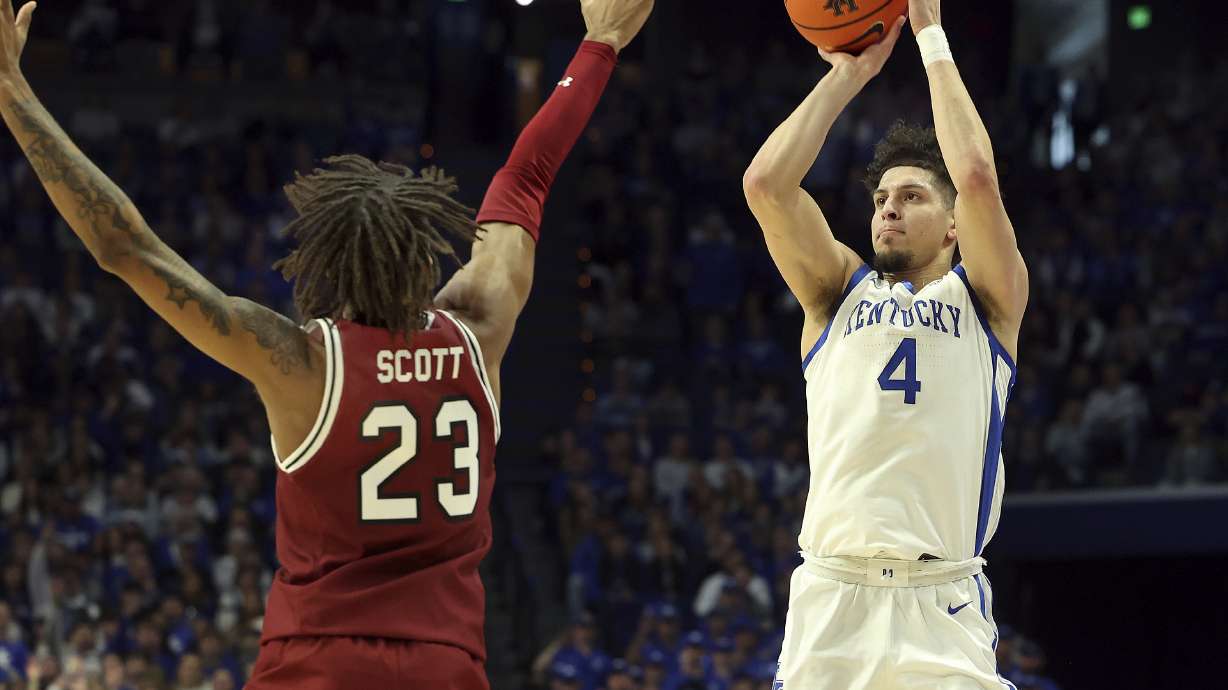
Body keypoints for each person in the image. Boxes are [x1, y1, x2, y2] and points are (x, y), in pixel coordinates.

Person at [0, 0, 654, 687]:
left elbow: (124, 246)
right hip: (445, 667)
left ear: (327, 266)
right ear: (421, 256)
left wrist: (12, 94)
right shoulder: (478, 330)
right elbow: (525, 178)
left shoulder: (303, 364)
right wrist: (599, 43)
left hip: (318, 665)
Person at [742, 0, 1028, 687]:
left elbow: (979, 180)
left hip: (943, 603)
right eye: (879, 200)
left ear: (954, 226)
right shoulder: (838, 292)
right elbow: (766, 185)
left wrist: (929, 33)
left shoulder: (986, 301)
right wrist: (847, 74)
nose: (889, 208)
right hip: (833, 598)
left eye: (912, 197)